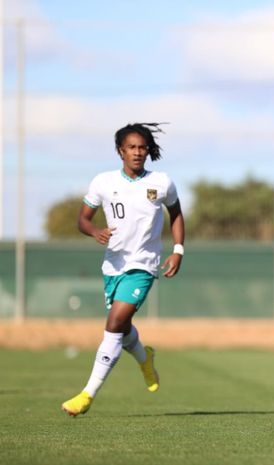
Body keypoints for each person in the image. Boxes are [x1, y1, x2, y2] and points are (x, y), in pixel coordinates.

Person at [61, 123, 185, 417]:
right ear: (121, 151)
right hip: (113, 265)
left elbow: (177, 214)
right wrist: (94, 231)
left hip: (143, 265)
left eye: (142, 147)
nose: (138, 152)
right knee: (123, 326)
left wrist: (178, 250)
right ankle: (145, 357)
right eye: (132, 147)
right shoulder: (103, 182)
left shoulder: (162, 182)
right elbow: (83, 219)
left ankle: (87, 395)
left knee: (115, 323)